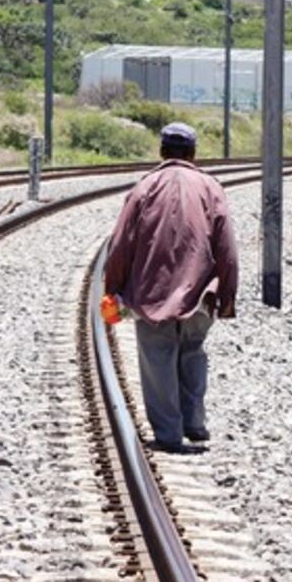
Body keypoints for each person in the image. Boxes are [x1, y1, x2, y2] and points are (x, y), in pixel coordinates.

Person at [104, 122, 238, 454]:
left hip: (152, 292)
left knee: (158, 357)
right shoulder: (210, 187)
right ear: (193, 153)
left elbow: (120, 244)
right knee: (193, 351)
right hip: (200, 291)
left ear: (162, 151)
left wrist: (113, 288)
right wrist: (227, 295)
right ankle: (194, 423)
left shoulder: (144, 188)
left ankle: (168, 433)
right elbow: (227, 247)